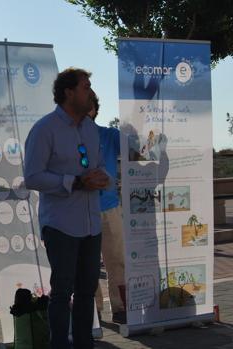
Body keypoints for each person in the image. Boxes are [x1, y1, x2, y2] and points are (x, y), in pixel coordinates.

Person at [24, 68, 109, 349]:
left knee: (87, 291)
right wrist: (74, 182)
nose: (91, 93)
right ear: (68, 92)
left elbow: (99, 167)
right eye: (85, 87)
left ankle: (85, 344)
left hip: (91, 224)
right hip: (61, 225)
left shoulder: (91, 128)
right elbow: (32, 176)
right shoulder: (44, 129)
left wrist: (103, 178)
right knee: (62, 292)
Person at [88, 95, 126, 324]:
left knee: (117, 260)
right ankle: (94, 310)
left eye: (90, 104)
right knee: (88, 264)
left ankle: (120, 307)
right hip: (83, 209)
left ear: (94, 109)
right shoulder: (69, 137)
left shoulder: (109, 135)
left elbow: (137, 147)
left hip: (110, 208)